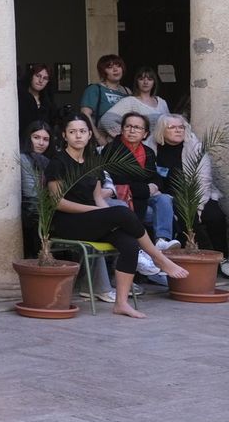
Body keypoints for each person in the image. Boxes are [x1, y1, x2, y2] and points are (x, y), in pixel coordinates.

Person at [46, 115, 187, 318]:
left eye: (82, 131)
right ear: (64, 136)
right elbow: (58, 202)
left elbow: (97, 198)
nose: (78, 136)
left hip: (92, 220)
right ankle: (158, 257)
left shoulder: (92, 160)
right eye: (72, 132)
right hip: (67, 222)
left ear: (88, 135)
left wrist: (105, 214)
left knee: (129, 243)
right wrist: (101, 213)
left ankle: (121, 303)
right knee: (121, 211)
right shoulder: (58, 162)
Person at [154, 114, 225, 267]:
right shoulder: (152, 148)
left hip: (199, 195)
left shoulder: (195, 147)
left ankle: (224, 256)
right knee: (188, 220)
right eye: (172, 127)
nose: (178, 130)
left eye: (181, 127)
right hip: (169, 197)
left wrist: (197, 208)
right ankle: (204, 263)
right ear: (162, 130)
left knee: (215, 216)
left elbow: (203, 180)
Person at [101, 112, 174, 247]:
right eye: (128, 126)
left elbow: (155, 176)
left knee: (165, 199)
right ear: (122, 130)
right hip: (123, 199)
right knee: (152, 213)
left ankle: (162, 240)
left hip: (144, 197)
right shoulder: (111, 150)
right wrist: (147, 188)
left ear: (145, 134)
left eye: (137, 128)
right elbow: (119, 180)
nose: (132, 130)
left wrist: (155, 186)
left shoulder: (148, 152)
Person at [99, 66, 169, 146]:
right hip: (138, 150)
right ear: (137, 82)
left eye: (150, 79)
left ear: (154, 82)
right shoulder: (130, 101)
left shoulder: (162, 102)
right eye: (141, 79)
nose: (145, 82)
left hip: (160, 148)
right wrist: (129, 137)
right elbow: (106, 120)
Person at [19, 121, 53, 260]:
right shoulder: (22, 158)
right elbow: (31, 192)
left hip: (42, 208)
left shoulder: (46, 160)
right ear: (28, 138)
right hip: (30, 211)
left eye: (46, 139)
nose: (41, 143)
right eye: (36, 137)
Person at [80, 54, 129, 146]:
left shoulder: (127, 91)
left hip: (124, 140)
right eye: (110, 67)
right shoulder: (95, 89)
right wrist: (98, 137)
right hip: (103, 140)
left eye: (118, 66)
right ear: (103, 71)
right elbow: (85, 114)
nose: (115, 69)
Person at [18, 64, 58, 133]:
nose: (41, 80)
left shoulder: (48, 101)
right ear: (31, 76)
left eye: (45, 78)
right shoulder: (20, 95)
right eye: (38, 76)